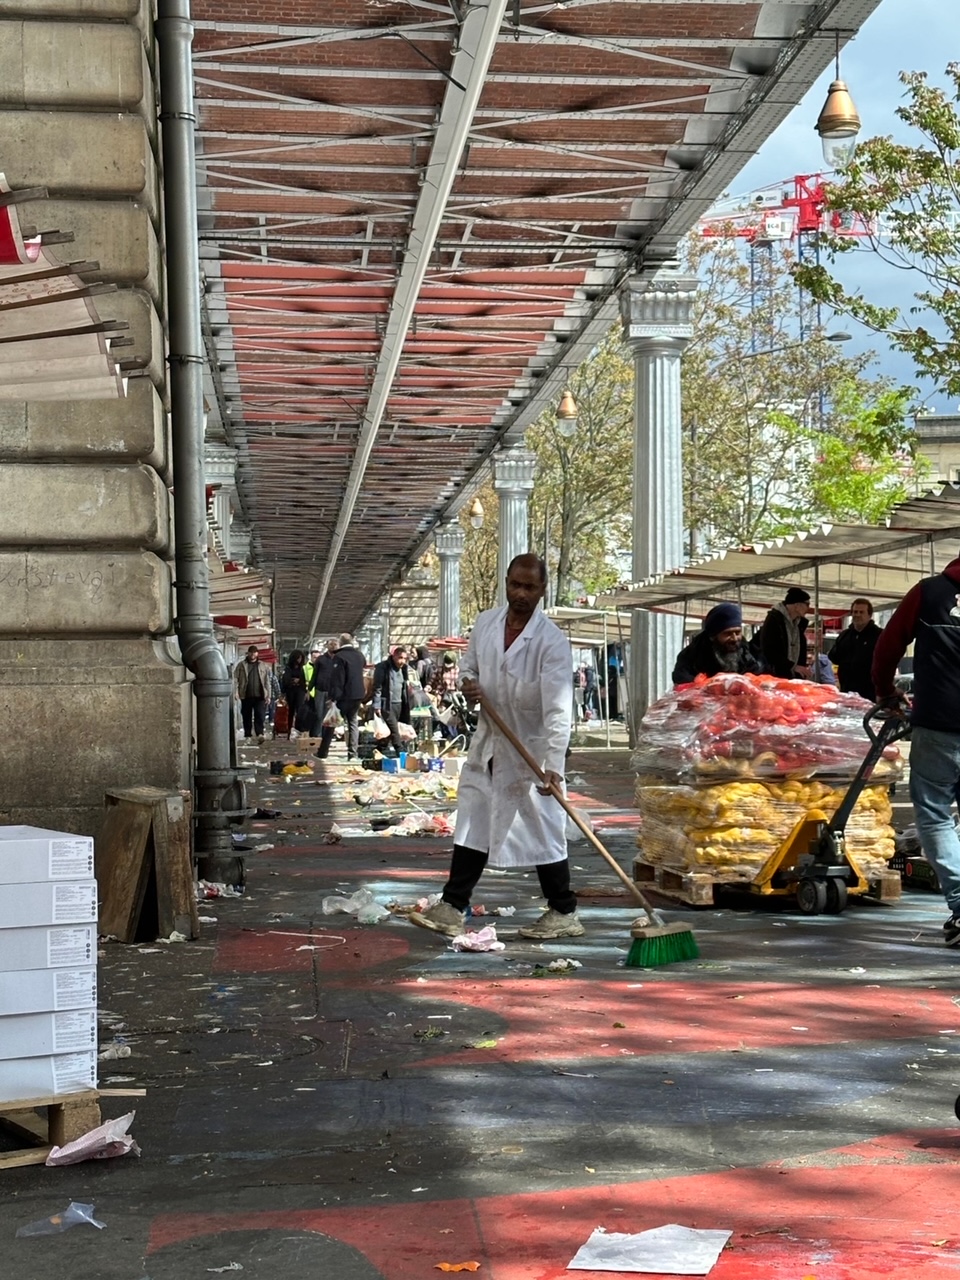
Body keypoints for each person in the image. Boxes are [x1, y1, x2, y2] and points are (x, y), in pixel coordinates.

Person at [410, 553, 582, 942]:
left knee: (543, 826)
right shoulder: (486, 623)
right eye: (515, 584)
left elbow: (558, 708)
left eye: (530, 587)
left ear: (543, 589)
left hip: (530, 748)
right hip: (489, 740)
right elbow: (469, 668)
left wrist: (554, 762)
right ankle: (453, 905)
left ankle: (564, 910)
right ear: (505, 581)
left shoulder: (551, 642)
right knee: (474, 819)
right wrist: (469, 685)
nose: (521, 593)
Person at [872, 551, 960, 945]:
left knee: (936, 816)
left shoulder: (928, 593)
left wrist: (886, 692)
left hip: (939, 724)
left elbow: (887, 647)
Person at [672, 602, 760, 685]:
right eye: (727, 633)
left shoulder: (745, 652)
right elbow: (683, 683)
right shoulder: (691, 656)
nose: (734, 638)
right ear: (713, 636)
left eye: (737, 633)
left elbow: (757, 675)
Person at [315, 632, 367, 761]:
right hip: (358, 694)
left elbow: (338, 679)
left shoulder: (339, 657)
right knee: (353, 723)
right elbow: (363, 667)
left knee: (332, 722)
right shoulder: (359, 655)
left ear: (341, 642)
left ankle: (323, 752)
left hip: (343, 695)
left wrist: (332, 697)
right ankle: (353, 754)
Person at [828, 598, 882, 700]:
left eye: (861, 612)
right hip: (847, 691)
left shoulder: (880, 636)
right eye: (855, 612)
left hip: (871, 693)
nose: (857, 615)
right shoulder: (845, 635)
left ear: (869, 615)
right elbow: (834, 657)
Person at [757, 586, 811, 679]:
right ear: (797, 605)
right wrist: (792, 666)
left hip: (793, 676)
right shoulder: (774, 620)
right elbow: (769, 650)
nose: (808, 608)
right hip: (774, 675)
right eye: (807, 604)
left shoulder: (799, 623)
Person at [371, 645, 412, 755]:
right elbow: (377, 687)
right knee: (394, 730)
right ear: (393, 656)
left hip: (399, 703)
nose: (402, 661)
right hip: (387, 704)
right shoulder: (383, 667)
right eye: (400, 658)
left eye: (404, 658)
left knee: (392, 729)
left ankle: (379, 749)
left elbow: (404, 685)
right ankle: (400, 751)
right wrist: (377, 705)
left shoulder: (404, 668)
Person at [234, 645, 268, 743]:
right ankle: (247, 734)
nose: (253, 654)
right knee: (246, 715)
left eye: (254, 652)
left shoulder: (262, 665)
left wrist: (268, 695)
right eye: (251, 652)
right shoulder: (241, 665)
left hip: (260, 695)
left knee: (260, 715)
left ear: (257, 654)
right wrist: (236, 691)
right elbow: (236, 679)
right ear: (248, 653)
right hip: (246, 695)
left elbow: (266, 681)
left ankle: (260, 734)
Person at [308, 638, 338, 736]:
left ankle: (327, 737)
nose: (333, 646)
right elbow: (314, 675)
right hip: (320, 690)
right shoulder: (321, 659)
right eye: (331, 644)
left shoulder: (339, 659)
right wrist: (309, 689)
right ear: (327, 646)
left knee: (329, 715)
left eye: (335, 644)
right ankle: (318, 735)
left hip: (332, 692)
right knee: (319, 714)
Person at [280, 649, 309, 739]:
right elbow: (285, 680)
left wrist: (299, 682)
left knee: (299, 711)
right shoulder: (288, 668)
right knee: (290, 711)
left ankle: (299, 730)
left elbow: (305, 680)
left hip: (300, 691)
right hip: (290, 691)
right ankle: (289, 730)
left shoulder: (303, 668)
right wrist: (283, 692)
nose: (299, 660)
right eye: (298, 658)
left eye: (300, 658)